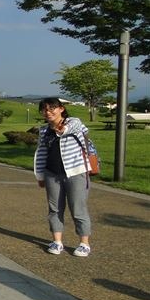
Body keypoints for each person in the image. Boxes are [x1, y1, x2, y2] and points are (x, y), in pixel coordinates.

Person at [34, 97, 92, 257]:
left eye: (52, 108)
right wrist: (40, 175)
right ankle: (57, 241)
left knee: (78, 208)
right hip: (52, 173)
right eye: (44, 109)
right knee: (54, 209)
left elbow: (75, 126)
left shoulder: (74, 122)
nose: (48, 112)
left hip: (76, 172)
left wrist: (62, 129)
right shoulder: (44, 130)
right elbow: (42, 153)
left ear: (61, 109)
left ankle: (84, 243)